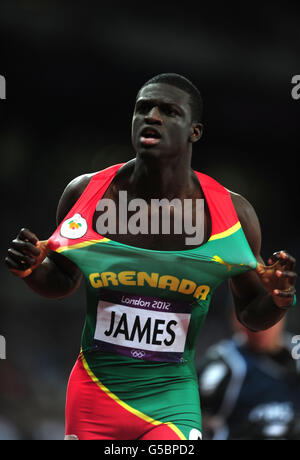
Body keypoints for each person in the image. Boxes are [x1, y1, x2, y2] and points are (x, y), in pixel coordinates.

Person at [5, 73, 297, 440]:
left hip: (172, 399)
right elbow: (62, 280)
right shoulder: (86, 194)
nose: (152, 117)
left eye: (169, 111)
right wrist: (32, 269)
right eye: (143, 109)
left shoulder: (231, 215)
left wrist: (278, 298)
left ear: (195, 131)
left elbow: (253, 315)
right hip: (96, 396)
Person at [198, 313, 300, 440]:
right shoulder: (223, 366)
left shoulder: (296, 358)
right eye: (254, 320)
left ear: (283, 317)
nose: (262, 328)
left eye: (269, 318)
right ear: (237, 320)